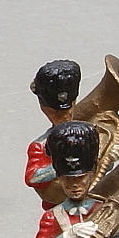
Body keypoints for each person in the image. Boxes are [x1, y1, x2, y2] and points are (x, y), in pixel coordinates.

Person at [24, 60, 81, 207]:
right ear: (45, 109)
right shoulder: (40, 146)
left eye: (68, 110)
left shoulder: (85, 134)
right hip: (58, 206)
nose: (65, 117)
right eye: (56, 113)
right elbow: (32, 177)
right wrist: (63, 165)